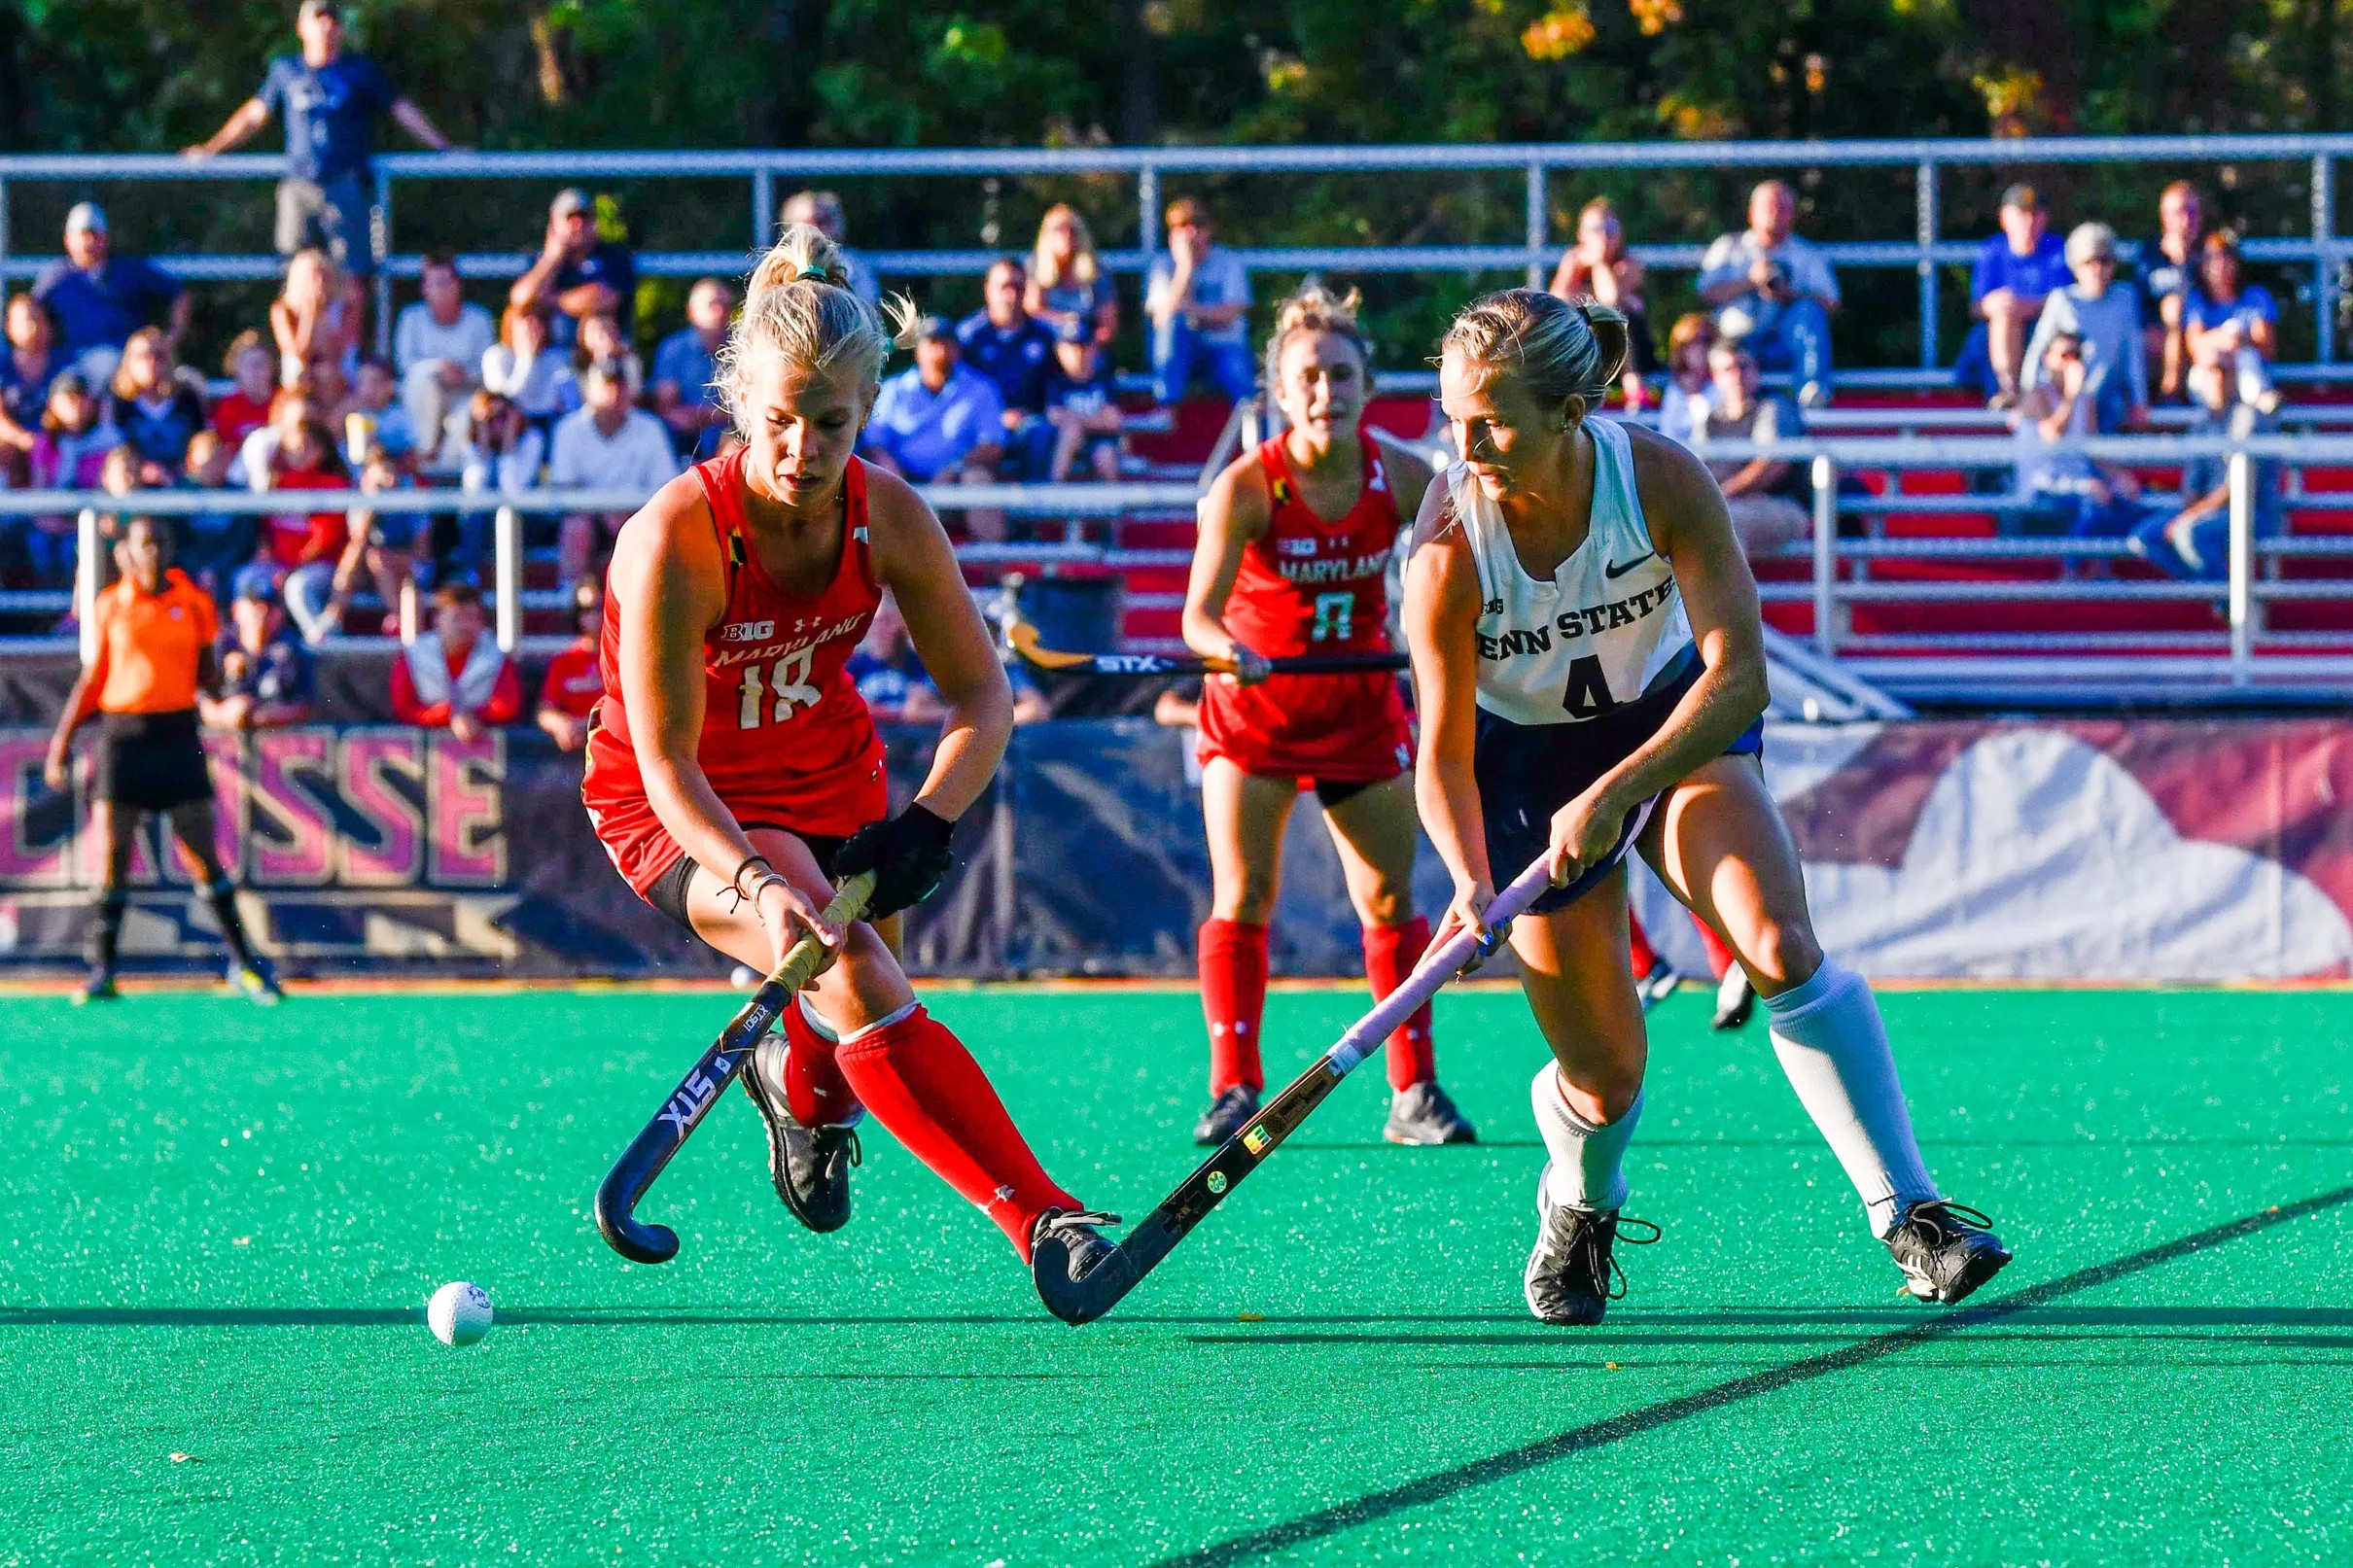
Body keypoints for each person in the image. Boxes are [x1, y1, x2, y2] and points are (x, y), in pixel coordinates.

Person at [1406, 289, 2010, 1325]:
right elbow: (1443, 754)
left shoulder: (1658, 477)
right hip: (1522, 770)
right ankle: (1579, 1199)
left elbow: (1737, 677)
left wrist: (1614, 791)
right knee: (1605, 1073)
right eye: (1454, 417)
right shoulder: (1449, 542)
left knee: (1776, 938)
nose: (1464, 448)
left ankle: (1910, 1213)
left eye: (1492, 421)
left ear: (1570, 410)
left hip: (1674, 724)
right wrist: (1468, 880)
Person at [578, 220, 1119, 1312]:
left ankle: (800, 1094)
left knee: (847, 1021)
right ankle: (1046, 1222)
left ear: (867, 409)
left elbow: (983, 698)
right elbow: (669, 761)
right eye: (780, 420)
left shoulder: (892, 516)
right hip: (683, 805)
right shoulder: (678, 536)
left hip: (834, 779)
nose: (803, 450)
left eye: (831, 423)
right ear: (741, 401)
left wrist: (928, 820)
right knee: (858, 971)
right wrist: (757, 880)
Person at [1181, 284, 1472, 1149]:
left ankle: (1414, 1090)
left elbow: (1465, 568)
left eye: (1341, 375)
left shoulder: (1405, 476)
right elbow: (1198, 617)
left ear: (1366, 385)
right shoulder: (1247, 485)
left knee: (1388, 896)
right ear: (1280, 389)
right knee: (1244, 894)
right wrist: (1229, 649)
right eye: (1307, 377)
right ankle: (1234, 1087)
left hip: (1360, 710)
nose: (1325, 392)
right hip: (1255, 714)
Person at [43, 515, 280, 1004]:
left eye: (160, 542)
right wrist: (62, 741)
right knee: (113, 857)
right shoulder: (112, 604)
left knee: (201, 856)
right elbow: (94, 678)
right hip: (123, 737)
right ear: (127, 552)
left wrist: (231, 671)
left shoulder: (193, 602)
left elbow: (206, 675)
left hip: (175, 734)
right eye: (144, 543)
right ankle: (102, 971)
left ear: (171, 548)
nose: (153, 551)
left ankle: (245, 963)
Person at [182, 0, 459, 277]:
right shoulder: (285, 69)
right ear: (301, 27)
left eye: (333, 19)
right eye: (318, 18)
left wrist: (444, 146)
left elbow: (400, 109)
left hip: (347, 186)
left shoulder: (360, 70)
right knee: (294, 273)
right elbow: (253, 116)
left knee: (354, 277)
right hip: (298, 186)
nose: (326, 25)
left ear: (341, 28)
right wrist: (211, 148)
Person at [2129, 361, 2284, 580]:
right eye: (2212, 372)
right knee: (2145, 537)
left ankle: (2223, 596)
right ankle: (2207, 588)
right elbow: (2192, 485)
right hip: (2208, 512)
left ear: (2235, 378)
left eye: (2224, 372)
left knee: (2190, 534)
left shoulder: (2250, 418)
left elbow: (2235, 489)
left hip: (2252, 512)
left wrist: (2190, 517)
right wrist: (2189, 513)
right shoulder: (2201, 425)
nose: (2218, 379)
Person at [860, 316, 1006, 540]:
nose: (939, 350)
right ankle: (884, 555)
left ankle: (993, 558)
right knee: (876, 475)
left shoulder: (981, 389)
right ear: (917, 349)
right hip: (902, 480)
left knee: (978, 479)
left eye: (946, 343)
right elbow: (874, 443)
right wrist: (894, 477)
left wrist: (954, 469)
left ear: (957, 349)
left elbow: (993, 445)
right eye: (932, 343)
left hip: (958, 481)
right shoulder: (893, 389)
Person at [1697, 180, 1839, 407]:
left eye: (1782, 207)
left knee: (1809, 311)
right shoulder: (1729, 247)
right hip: (1734, 343)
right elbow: (1707, 293)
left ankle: (1812, 394)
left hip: (1782, 343)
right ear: (1751, 212)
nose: (1775, 213)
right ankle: (1722, 408)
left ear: (1792, 214)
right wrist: (1751, 281)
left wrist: (1787, 295)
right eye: (1768, 206)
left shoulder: (1806, 254)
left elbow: (1830, 303)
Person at [549, 357, 678, 583]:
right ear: (589, 391)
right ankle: (570, 596)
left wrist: (629, 513)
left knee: (654, 528)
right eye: (605, 386)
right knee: (576, 528)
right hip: (588, 520)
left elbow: (665, 486)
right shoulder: (568, 430)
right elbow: (565, 490)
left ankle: (650, 593)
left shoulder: (650, 428)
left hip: (637, 517)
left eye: (619, 386)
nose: (613, 394)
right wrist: (603, 510)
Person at [31, 203, 189, 384]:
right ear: (68, 239)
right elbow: (30, 311)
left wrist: (171, 338)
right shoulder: (54, 276)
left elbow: (180, 295)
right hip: (71, 366)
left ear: (106, 238)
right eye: (82, 235)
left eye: (95, 235)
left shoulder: (129, 270)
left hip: (124, 367)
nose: (89, 242)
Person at [2010, 331, 2145, 540]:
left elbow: (2092, 450)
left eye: (2077, 355)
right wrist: (2071, 395)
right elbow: (2053, 438)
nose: (2072, 362)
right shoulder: (2036, 395)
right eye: (2065, 355)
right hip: (2042, 485)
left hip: (2079, 483)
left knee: (2125, 500)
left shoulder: (2085, 400)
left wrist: (2118, 476)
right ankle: (2074, 561)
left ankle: (2101, 560)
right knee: (2092, 502)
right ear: (2047, 359)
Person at [244, 390, 354, 643]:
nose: (298, 452)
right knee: (248, 580)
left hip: (320, 566)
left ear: (321, 451)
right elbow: (264, 526)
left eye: (306, 447)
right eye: (293, 447)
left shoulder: (332, 484)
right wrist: (268, 555)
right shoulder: (277, 482)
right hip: (279, 565)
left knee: (298, 587)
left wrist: (291, 569)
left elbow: (325, 540)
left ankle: (324, 642)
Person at [2022, 223, 2149, 434]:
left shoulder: (2125, 298)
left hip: (2109, 403)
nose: (2097, 269)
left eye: (2104, 260)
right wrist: (2027, 395)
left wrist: (2139, 400)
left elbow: (2133, 354)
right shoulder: (2062, 300)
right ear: (2075, 266)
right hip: (2068, 402)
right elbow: (2037, 352)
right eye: (2088, 262)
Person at [1965, 184, 2071, 409]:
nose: (2029, 221)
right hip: (1999, 330)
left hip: (2048, 329)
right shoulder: (1993, 250)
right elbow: (1977, 307)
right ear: (2004, 217)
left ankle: (2030, 396)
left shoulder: (2058, 249)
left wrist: (2019, 306)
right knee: (2003, 317)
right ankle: (2008, 391)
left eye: (2035, 214)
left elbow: (2065, 301)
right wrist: (2002, 306)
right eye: (2022, 213)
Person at [394, 249, 496, 468]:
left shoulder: (480, 319)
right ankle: (425, 450)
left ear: (458, 285)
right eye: (435, 283)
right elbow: (405, 364)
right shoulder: (410, 318)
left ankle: (441, 470)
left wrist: (461, 375)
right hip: (421, 395)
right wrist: (439, 367)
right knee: (422, 381)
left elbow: (488, 368)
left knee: (470, 414)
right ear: (424, 289)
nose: (442, 289)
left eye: (447, 282)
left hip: (466, 393)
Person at [1146, 198, 1254, 405]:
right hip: (1182, 351)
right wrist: (1185, 267)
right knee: (1171, 333)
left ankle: (1255, 422)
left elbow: (1229, 316)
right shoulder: (1163, 265)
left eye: (1196, 225)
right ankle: (1166, 408)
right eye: (1180, 227)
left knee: (1238, 372)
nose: (1190, 234)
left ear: (1208, 230)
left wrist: (1186, 310)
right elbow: (1162, 320)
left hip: (1223, 345)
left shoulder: (1229, 262)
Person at [1548, 197, 1653, 409]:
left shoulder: (1630, 264)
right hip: (1590, 346)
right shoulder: (1572, 261)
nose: (1603, 235)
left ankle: (1632, 384)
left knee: (1610, 315)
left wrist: (1598, 263)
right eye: (1595, 229)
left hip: (1633, 349)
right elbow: (1556, 304)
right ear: (1581, 234)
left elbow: (1610, 300)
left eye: (1610, 228)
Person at [957, 259, 1057, 478]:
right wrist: (995, 416)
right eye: (1004, 287)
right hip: (979, 426)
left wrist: (1034, 413)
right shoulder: (969, 336)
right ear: (988, 289)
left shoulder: (1044, 336)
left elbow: (1055, 386)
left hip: (1028, 423)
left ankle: (1036, 499)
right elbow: (957, 391)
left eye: (1018, 287)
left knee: (1039, 432)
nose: (1011, 295)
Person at [390, 580, 520, 738]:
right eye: (457, 617)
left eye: (472, 617)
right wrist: (446, 716)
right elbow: (403, 707)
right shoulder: (414, 654)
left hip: (479, 738)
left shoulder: (496, 655)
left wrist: (474, 717)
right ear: (438, 619)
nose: (465, 625)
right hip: (422, 742)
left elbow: (507, 704)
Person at [509, 189, 636, 350]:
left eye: (584, 217)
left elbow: (605, 298)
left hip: (599, 353)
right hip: (548, 352)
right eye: (571, 218)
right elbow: (521, 299)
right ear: (554, 223)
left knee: (598, 322)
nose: (579, 225)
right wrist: (551, 260)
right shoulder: (541, 261)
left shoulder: (613, 257)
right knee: (519, 324)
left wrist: (551, 301)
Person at [200, 565, 315, 732]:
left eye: (270, 605)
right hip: (222, 741)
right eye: (254, 603)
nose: (263, 612)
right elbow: (203, 701)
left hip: (278, 742)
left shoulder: (290, 648)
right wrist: (223, 714)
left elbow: (305, 707)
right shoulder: (221, 645)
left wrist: (258, 716)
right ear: (236, 609)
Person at [2184, 231, 2280, 413]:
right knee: (2212, 366)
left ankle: (2256, 398)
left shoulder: (2255, 297)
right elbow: (2194, 345)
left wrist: (2237, 342)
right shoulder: (2197, 300)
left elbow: (2266, 348)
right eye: (2211, 259)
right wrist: (2224, 340)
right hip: (2210, 377)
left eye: (2225, 257)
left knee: (2246, 356)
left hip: (2246, 374)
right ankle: (2217, 418)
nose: (2219, 265)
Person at [101, 329, 207, 485]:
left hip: (183, 481)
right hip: (133, 484)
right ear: (128, 362)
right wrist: (143, 470)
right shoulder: (119, 403)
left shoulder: (186, 400)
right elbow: (113, 448)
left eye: (159, 356)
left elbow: (201, 443)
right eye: (142, 356)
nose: (151, 362)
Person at [650, 278, 735, 462]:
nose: (721, 312)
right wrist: (720, 415)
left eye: (726, 305)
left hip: (734, 442)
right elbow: (668, 410)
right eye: (712, 304)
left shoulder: (744, 349)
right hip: (684, 444)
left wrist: (704, 415)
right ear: (691, 312)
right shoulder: (673, 350)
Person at [2137, 181, 2205, 401]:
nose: (2186, 220)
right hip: (2159, 335)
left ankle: (2171, 397)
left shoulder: (2210, 253)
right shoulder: (2151, 255)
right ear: (2164, 216)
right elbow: (2142, 306)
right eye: (2179, 212)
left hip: (2199, 332)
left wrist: (2183, 261)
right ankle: (2168, 397)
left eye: (2192, 212)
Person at [1026, 204, 1118, 353]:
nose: (1066, 235)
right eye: (1059, 229)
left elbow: (1108, 324)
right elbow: (1032, 310)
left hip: (1086, 344)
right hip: (1045, 343)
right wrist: (1064, 320)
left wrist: (1090, 345)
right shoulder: (1035, 267)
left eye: (1072, 230)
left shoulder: (1097, 272)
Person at [845, 591, 947, 724]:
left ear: (902, 624)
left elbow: (917, 709)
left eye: (888, 621)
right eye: (876, 621)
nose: (881, 628)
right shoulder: (856, 667)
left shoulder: (919, 664)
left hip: (913, 733)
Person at [270, 246, 362, 390]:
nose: (320, 282)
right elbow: (296, 353)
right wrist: (309, 316)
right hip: (300, 382)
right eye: (313, 276)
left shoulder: (345, 308)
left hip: (339, 379)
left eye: (324, 276)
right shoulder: (282, 310)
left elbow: (340, 350)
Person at [1043, 333, 1126, 485]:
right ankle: (1054, 488)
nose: (1078, 354)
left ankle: (1112, 499)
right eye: (1072, 349)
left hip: (1100, 440)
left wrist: (1077, 421)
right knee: (1071, 433)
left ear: (1093, 349)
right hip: (1062, 441)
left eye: (1083, 348)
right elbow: (1053, 416)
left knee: (1105, 455)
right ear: (1059, 351)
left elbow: (1113, 420)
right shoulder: (1056, 382)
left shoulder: (1103, 380)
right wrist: (1093, 420)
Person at [0, 294, 63, 483]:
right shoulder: (3, 365)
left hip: (56, 440)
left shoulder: (63, 363)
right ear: (8, 326)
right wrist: (22, 439)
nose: (32, 326)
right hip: (11, 441)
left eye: (36, 318)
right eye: (24, 320)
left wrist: (46, 438)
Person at [537, 576, 605, 752]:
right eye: (585, 610)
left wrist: (587, 724)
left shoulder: (623, 657)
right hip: (575, 752)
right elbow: (545, 712)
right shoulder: (565, 660)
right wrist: (561, 724)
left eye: (599, 607)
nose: (594, 616)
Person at [779, 191, 880, 306]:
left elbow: (868, 305)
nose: (815, 228)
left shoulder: (855, 265)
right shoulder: (776, 267)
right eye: (807, 222)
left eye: (822, 221)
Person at [1653, 312, 1716, 448]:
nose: (1699, 348)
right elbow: (1668, 433)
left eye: (1705, 340)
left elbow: (1711, 429)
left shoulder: (1723, 380)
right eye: (1690, 342)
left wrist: (1694, 395)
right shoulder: (1675, 388)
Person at [211, 331, 278, 450]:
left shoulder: (284, 403)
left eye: (260, 364)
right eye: (248, 365)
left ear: (272, 366)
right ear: (236, 367)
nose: (254, 372)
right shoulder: (228, 407)